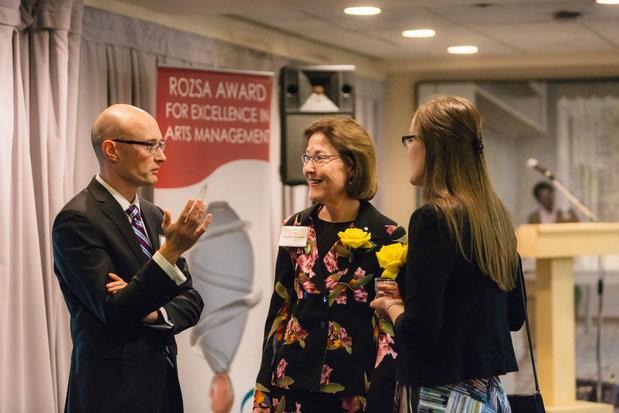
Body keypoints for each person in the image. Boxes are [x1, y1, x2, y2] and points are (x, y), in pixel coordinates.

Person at [371, 95, 526, 412]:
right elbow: (514, 316)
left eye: (411, 139)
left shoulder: (433, 218)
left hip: (438, 397)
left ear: (433, 146)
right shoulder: (496, 218)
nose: (407, 148)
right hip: (487, 396)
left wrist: (390, 305)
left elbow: (421, 331)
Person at [52, 104, 210, 412]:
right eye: (151, 145)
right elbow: (117, 313)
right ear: (111, 149)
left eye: (161, 145)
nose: (161, 156)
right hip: (110, 394)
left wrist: (154, 313)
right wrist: (170, 253)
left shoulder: (151, 215)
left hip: (162, 389)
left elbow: (191, 300)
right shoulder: (77, 219)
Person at [253, 118, 406, 412]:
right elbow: (280, 310)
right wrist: (263, 392)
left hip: (355, 393)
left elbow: (389, 330)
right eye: (307, 157)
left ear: (352, 165)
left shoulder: (387, 235)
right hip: (292, 384)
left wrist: (382, 399)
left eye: (320, 157)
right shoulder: (295, 226)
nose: (309, 168)